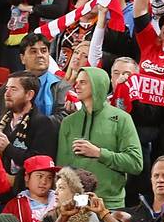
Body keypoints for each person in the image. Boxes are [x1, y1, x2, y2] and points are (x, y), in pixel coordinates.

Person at [56, 66, 142, 210]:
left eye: (83, 82)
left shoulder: (122, 119)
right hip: (77, 205)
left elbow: (135, 163)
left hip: (111, 204)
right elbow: (62, 168)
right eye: (76, 81)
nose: (76, 86)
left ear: (98, 85)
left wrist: (99, 153)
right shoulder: (68, 122)